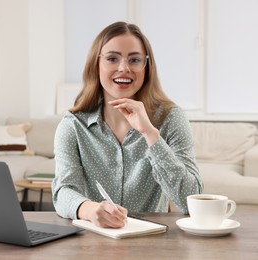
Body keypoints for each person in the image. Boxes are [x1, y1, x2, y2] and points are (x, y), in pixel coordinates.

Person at [51, 21, 203, 228]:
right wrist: (89, 209)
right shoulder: (73, 125)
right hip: (92, 239)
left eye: (134, 60)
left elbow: (191, 198)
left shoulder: (171, 118)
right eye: (112, 58)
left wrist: (150, 134)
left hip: (152, 243)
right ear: (96, 64)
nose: (124, 68)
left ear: (146, 66)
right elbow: (63, 192)